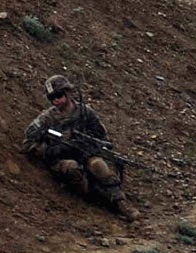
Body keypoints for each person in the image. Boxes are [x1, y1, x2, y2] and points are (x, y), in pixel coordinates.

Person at [23, 75, 129, 217]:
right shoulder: (47, 119)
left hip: (84, 154)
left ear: (68, 93)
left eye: (59, 95)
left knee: (99, 166)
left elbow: (102, 138)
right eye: (52, 98)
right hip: (62, 158)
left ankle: (121, 203)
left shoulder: (86, 113)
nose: (56, 100)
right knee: (73, 169)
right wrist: (52, 150)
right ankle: (98, 196)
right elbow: (28, 143)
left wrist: (92, 147)